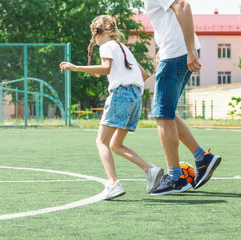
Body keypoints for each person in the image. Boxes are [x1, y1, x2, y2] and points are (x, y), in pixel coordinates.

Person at [60, 15, 164, 200]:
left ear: (97, 34)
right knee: (116, 145)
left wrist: (76, 67)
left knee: (101, 142)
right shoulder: (123, 48)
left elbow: (106, 68)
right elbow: (144, 74)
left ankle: (114, 183)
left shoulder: (106, 46)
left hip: (121, 95)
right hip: (136, 98)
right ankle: (150, 170)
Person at [143, 0, 222, 195]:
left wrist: (190, 50)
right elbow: (168, 19)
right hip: (174, 52)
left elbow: (183, 6)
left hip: (176, 54)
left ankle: (175, 178)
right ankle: (202, 158)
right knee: (166, 112)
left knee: (162, 114)